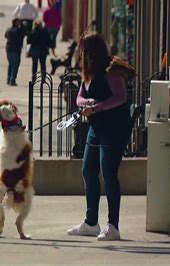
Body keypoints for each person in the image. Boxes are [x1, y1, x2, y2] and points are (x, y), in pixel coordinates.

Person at [66, 32, 135, 241]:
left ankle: (113, 226)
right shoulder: (88, 72)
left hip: (115, 128)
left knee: (108, 172)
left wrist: (97, 107)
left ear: (91, 51)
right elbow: (79, 97)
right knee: (88, 170)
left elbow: (121, 98)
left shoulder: (111, 71)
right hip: (96, 127)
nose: (80, 54)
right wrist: (87, 104)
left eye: (83, 50)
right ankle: (91, 222)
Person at [5, 18, 24, 86]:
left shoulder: (9, 29)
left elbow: (5, 36)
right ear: (16, 22)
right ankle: (12, 80)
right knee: (16, 65)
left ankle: (8, 78)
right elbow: (22, 36)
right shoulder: (18, 30)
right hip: (16, 49)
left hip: (9, 48)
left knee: (10, 64)